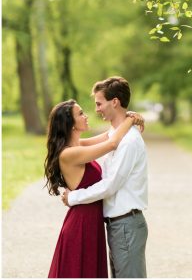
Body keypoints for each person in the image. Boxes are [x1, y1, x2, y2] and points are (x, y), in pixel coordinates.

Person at [61, 76, 150, 278]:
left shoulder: (127, 141)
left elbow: (110, 186)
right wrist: (130, 117)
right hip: (117, 225)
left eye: (99, 103)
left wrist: (73, 198)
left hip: (126, 225)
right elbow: (80, 145)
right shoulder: (115, 134)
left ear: (115, 102)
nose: (97, 109)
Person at [44, 99, 143, 278]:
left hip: (91, 221)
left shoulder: (78, 146)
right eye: (80, 113)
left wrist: (129, 116)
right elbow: (111, 144)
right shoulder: (69, 153)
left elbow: (109, 135)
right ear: (71, 124)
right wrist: (131, 120)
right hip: (81, 223)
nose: (86, 115)